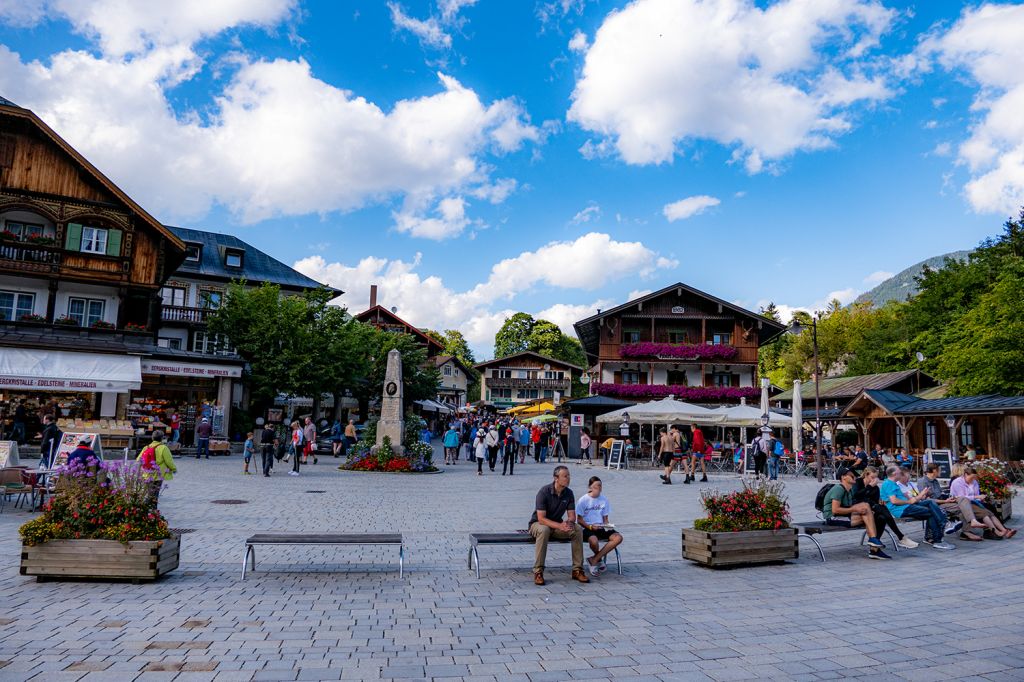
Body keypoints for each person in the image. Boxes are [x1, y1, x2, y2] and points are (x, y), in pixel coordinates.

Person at [528, 466, 588, 585]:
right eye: (565, 476)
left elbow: (572, 515)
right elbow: (541, 518)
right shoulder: (544, 492)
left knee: (576, 529)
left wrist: (568, 523)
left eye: (569, 475)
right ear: (556, 478)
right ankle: (538, 571)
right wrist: (560, 526)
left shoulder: (569, 493)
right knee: (544, 530)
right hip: (538, 524)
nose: (568, 478)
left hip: (556, 525)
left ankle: (577, 570)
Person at [880, 465, 955, 549]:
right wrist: (909, 501)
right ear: (894, 474)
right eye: (899, 472)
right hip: (901, 509)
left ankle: (941, 529)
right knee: (932, 512)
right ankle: (939, 536)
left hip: (907, 506)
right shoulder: (888, 484)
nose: (901, 474)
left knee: (930, 502)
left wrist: (918, 496)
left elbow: (901, 498)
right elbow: (894, 501)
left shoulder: (891, 483)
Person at [823, 469, 891, 559]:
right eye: (851, 476)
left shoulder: (850, 490)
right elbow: (835, 510)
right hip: (833, 518)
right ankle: (874, 547)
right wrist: (854, 509)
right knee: (867, 509)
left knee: (870, 511)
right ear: (843, 477)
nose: (854, 477)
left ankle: (874, 545)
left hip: (844, 516)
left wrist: (860, 510)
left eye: (855, 475)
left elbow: (850, 507)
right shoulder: (838, 489)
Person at [853, 466, 918, 549]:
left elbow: (874, 502)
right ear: (866, 475)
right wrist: (869, 486)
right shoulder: (858, 482)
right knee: (883, 510)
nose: (874, 480)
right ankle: (901, 537)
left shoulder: (875, 488)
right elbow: (856, 496)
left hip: (870, 511)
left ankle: (875, 546)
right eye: (872, 477)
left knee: (882, 516)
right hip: (857, 509)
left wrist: (879, 502)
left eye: (876, 477)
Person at [949, 466, 1016, 539]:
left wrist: (980, 498)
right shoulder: (957, 482)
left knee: (989, 511)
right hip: (962, 504)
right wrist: (977, 497)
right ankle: (997, 532)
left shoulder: (974, 482)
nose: (973, 479)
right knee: (985, 513)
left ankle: (1004, 531)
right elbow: (961, 498)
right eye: (972, 478)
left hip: (973, 502)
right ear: (965, 475)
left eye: (975, 477)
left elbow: (976, 494)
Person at [575, 476, 623, 576]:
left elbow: (605, 519)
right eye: (596, 486)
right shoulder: (583, 500)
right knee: (594, 541)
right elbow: (579, 520)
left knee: (618, 538)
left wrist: (609, 527)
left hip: (601, 526)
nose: (599, 488)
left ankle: (594, 560)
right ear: (590, 487)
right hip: (587, 527)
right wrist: (590, 527)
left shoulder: (604, 499)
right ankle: (598, 559)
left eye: (600, 486)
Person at [138, 430, 175, 505]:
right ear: (162, 438)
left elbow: (139, 459)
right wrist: (173, 469)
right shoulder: (164, 448)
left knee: (149, 492)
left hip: (147, 473)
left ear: (152, 438)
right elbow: (169, 461)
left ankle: (148, 509)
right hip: (159, 474)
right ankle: (151, 510)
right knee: (155, 494)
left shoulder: (146, 447)